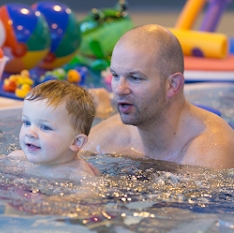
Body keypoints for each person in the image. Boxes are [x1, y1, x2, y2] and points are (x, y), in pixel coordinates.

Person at [84, 24, 234, 169]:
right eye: (116, 76)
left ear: (172, 85)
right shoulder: (105, 139)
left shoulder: (211, 150)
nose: (119, 89)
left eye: (134, 78)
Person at [0, 79, 100, 178]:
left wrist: (50, 203)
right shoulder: (19, 158)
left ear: (76, 141)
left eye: (45, 127)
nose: (30, 132)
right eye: (26, 122)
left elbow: (88, 200)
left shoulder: (79, 174)